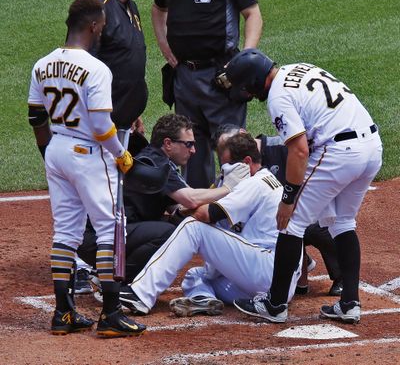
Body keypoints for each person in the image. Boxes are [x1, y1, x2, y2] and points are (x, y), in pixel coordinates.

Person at [224, 49, 383, 323]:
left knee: (290, 223)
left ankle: (274, 305)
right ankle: (349, 304)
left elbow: (299, 151)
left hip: (339, 152)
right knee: (343, 222)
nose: (246, 93)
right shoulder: (300, 67)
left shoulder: (277, 97)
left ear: (252, 81)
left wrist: (288, 198)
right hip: (371, 147)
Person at [27, 0, 146, 337]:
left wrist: (49, 153)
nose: (104, 29)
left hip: (57, 148)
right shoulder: (96, 68)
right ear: (93, 26)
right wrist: (121, 155)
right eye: (103, 24)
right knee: (110, 229)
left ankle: (63, 313)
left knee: (66, 232)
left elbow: (36, 116)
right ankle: (111, 314)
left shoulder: (42, 64)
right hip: (90, 153)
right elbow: (101, 125)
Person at [116, 133, 302, 317]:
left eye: (228, 166)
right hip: (271, 282)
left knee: (193, 227)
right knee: (196, 276)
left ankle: (141, 294)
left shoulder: (255, 183)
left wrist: (195, 205)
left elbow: (206, 215)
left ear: (246, 162)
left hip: (266, 270)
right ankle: (203, 299)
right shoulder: (266, 181)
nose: (225, 171)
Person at [77, 114, 250, 296]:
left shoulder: (161, 161)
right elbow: (191, 199)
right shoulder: (155, 163)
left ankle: (108, 273)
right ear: (168, 143)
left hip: (106, 235)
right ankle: (117, 282)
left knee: (177, 225)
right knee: (170, 233)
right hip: (99, 239)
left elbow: (182, 206)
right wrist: (228, 188)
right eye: (188, 144)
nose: (193, 150)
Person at [151, 0, 263, 188]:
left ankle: (238, 213)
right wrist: (164, 45)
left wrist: (245, 59)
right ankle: (199, 213)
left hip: (221, 75)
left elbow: (252, 13)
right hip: (184, 78)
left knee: (231, 146)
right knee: (189, 148)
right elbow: (159, 9)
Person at [213, 124, 343, 297]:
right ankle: (298, 274)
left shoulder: (284, 147)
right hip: (274, 221)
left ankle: (343, 276)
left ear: (243, 136)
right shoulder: (235, 165)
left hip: (310, 202)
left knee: (309, 225)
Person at [85, 0, 159, 130]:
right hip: (102, 121)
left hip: (125, 118)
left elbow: (125, 60)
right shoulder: (94, 8)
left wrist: (133, 111)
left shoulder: (130, 6)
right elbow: (82, 66)